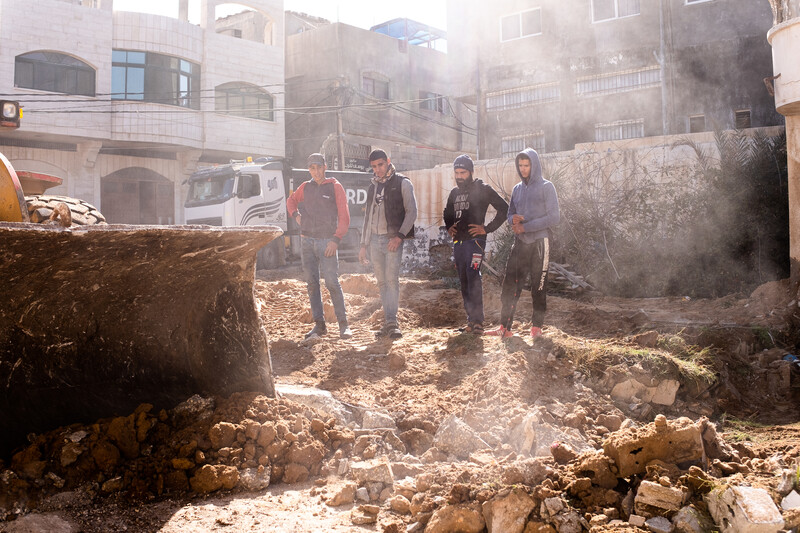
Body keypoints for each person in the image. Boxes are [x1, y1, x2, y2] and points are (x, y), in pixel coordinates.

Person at [486, 148, 560, 339]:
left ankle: (536, 328)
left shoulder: (547, 187)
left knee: (539, 286)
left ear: (534, 165)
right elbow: (510, 213)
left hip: (539, 243)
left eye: (527, 165)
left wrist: (526, 227)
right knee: (510, 284)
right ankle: (505, 327)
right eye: (520, 165)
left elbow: (554, 217)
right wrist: (513, 220)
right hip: (520, 243)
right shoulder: (517, 189)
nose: (523, 169)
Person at [287, 153, 353, 340]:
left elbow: (344, 216)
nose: (315, 171)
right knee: (312, 284)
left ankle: (344, 325)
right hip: (306, 241)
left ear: (325, 166)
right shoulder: (305, 187)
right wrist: (296, 216)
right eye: (311, 168)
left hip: (327, 242)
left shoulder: (334, 186)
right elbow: (291, 201)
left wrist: (336, 239)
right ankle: (320, 325)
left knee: (332, 282)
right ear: (309, 169)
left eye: (318, 167)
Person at [443, 154, 508, 335]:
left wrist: (486, 229)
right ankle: (470, 321)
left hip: (475, 242)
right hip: (458, 242)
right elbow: (447, 213)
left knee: (473, 278)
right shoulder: (454, 193)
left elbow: (504, 209)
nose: (459, 176)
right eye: (456, 172)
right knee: (464, 280)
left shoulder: (482, 188)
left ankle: (478, 322)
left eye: (463, 172)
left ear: (471, 172)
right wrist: (450, 227)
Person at [358, 149, 417, 339]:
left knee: (392, 281)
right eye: (374, 167)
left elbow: (412, 212)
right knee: (382, 283)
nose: (377, 170)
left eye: (380, 165)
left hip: (392, 240)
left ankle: (393, 322)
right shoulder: (372, 187)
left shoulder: (403, 183)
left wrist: (399, 237)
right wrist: (363, 245)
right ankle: (388, 322)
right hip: (374, 241)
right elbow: (368, 217)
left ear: (388, 162)